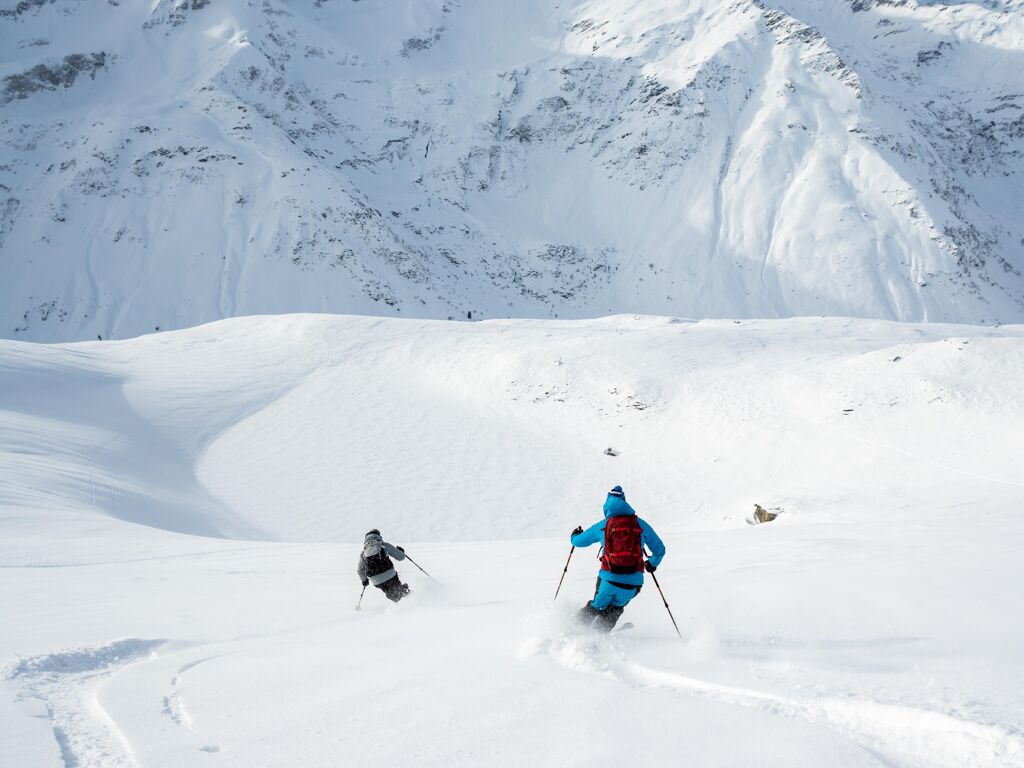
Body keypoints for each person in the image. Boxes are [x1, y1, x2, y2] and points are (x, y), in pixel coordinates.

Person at [570, 485, 665, 631]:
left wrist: (574, 535)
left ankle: (573, 629)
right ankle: (600, 634)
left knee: (597, 606)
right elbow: (660, 550)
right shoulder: (640, 524)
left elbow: (578, 542)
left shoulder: (604, 525)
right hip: (633, 584)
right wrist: (652, 564)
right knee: (616, 608)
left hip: (608, 579)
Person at [358, 529, 410, 602]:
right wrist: (401, 551)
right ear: (378, 536)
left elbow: (360, 570)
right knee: (399, 592)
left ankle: (402, 604)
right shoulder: (384, 545)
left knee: (393, 593)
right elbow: (401, 557)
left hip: (376, 580)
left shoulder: (363, 553)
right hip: (390, 575)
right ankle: (413, 602)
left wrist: (364, 580)